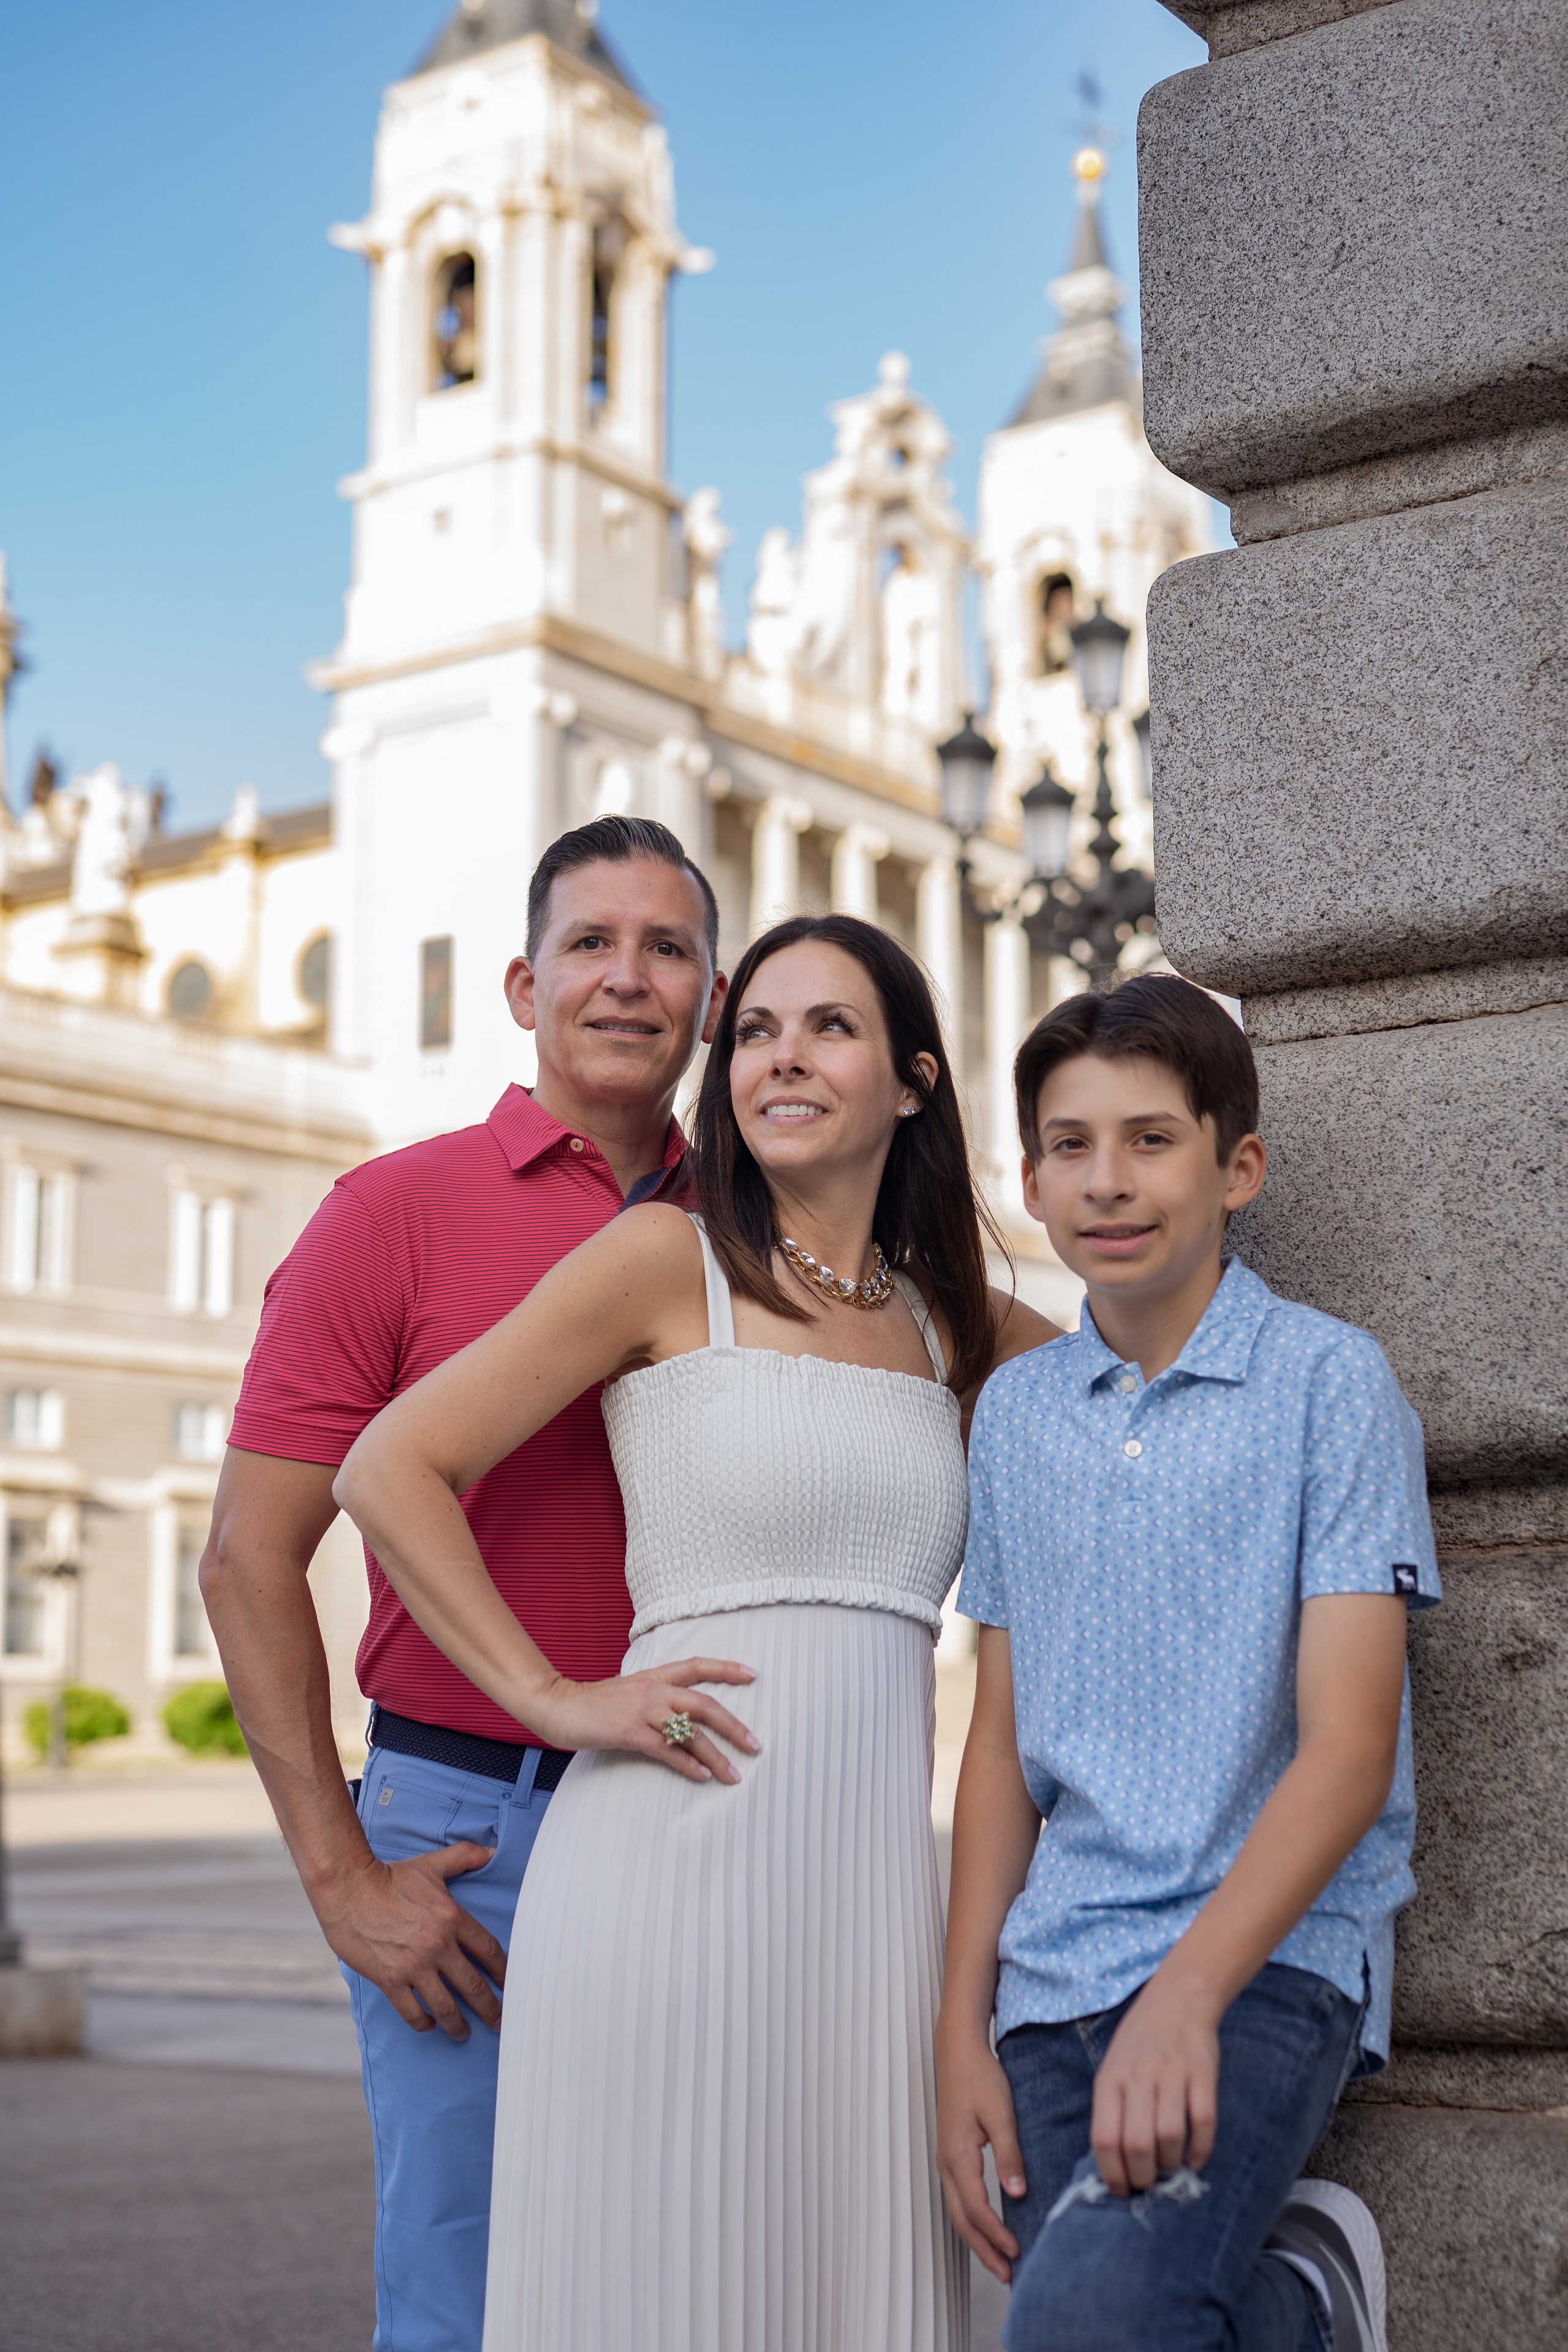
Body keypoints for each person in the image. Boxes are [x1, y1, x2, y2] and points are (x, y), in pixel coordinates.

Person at [333, 913, 1060, 2352]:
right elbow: (388, 1470)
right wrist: (554, 1698)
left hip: (871, 1919)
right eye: (757, 1032)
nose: (779, 1058)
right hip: (660, 1879)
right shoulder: (666, 1260)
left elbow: (1148, 1392)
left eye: (829, 1028)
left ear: (914, 1078)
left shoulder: (961, 1328)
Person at [200, 816, 755, 2352]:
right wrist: (337, 1876)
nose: (627, 979)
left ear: (711, 1000)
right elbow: (250, 1561)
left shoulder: (761, 1237)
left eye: (666, 950)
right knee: (472, 2303)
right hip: (467, 1842)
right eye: (590, 944)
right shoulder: (391, 1214)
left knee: (697, 2281)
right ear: (522, 986)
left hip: (708, 1817)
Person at [935, 974, 1440, 2352]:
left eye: (1150, 1139)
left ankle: (1297, 2284)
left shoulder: (1327, 1384)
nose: (1107, 1181)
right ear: (1029, 1177)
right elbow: (998, 1748)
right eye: (1069, 1144)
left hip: (1268, 1959)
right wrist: (958, 2030)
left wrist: (1187, 1997)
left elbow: (1346, 1747)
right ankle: (1294, 2312)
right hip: (1052, 1971)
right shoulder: (1014, 1417)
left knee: (1083, 2325)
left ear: (1238, 1167)